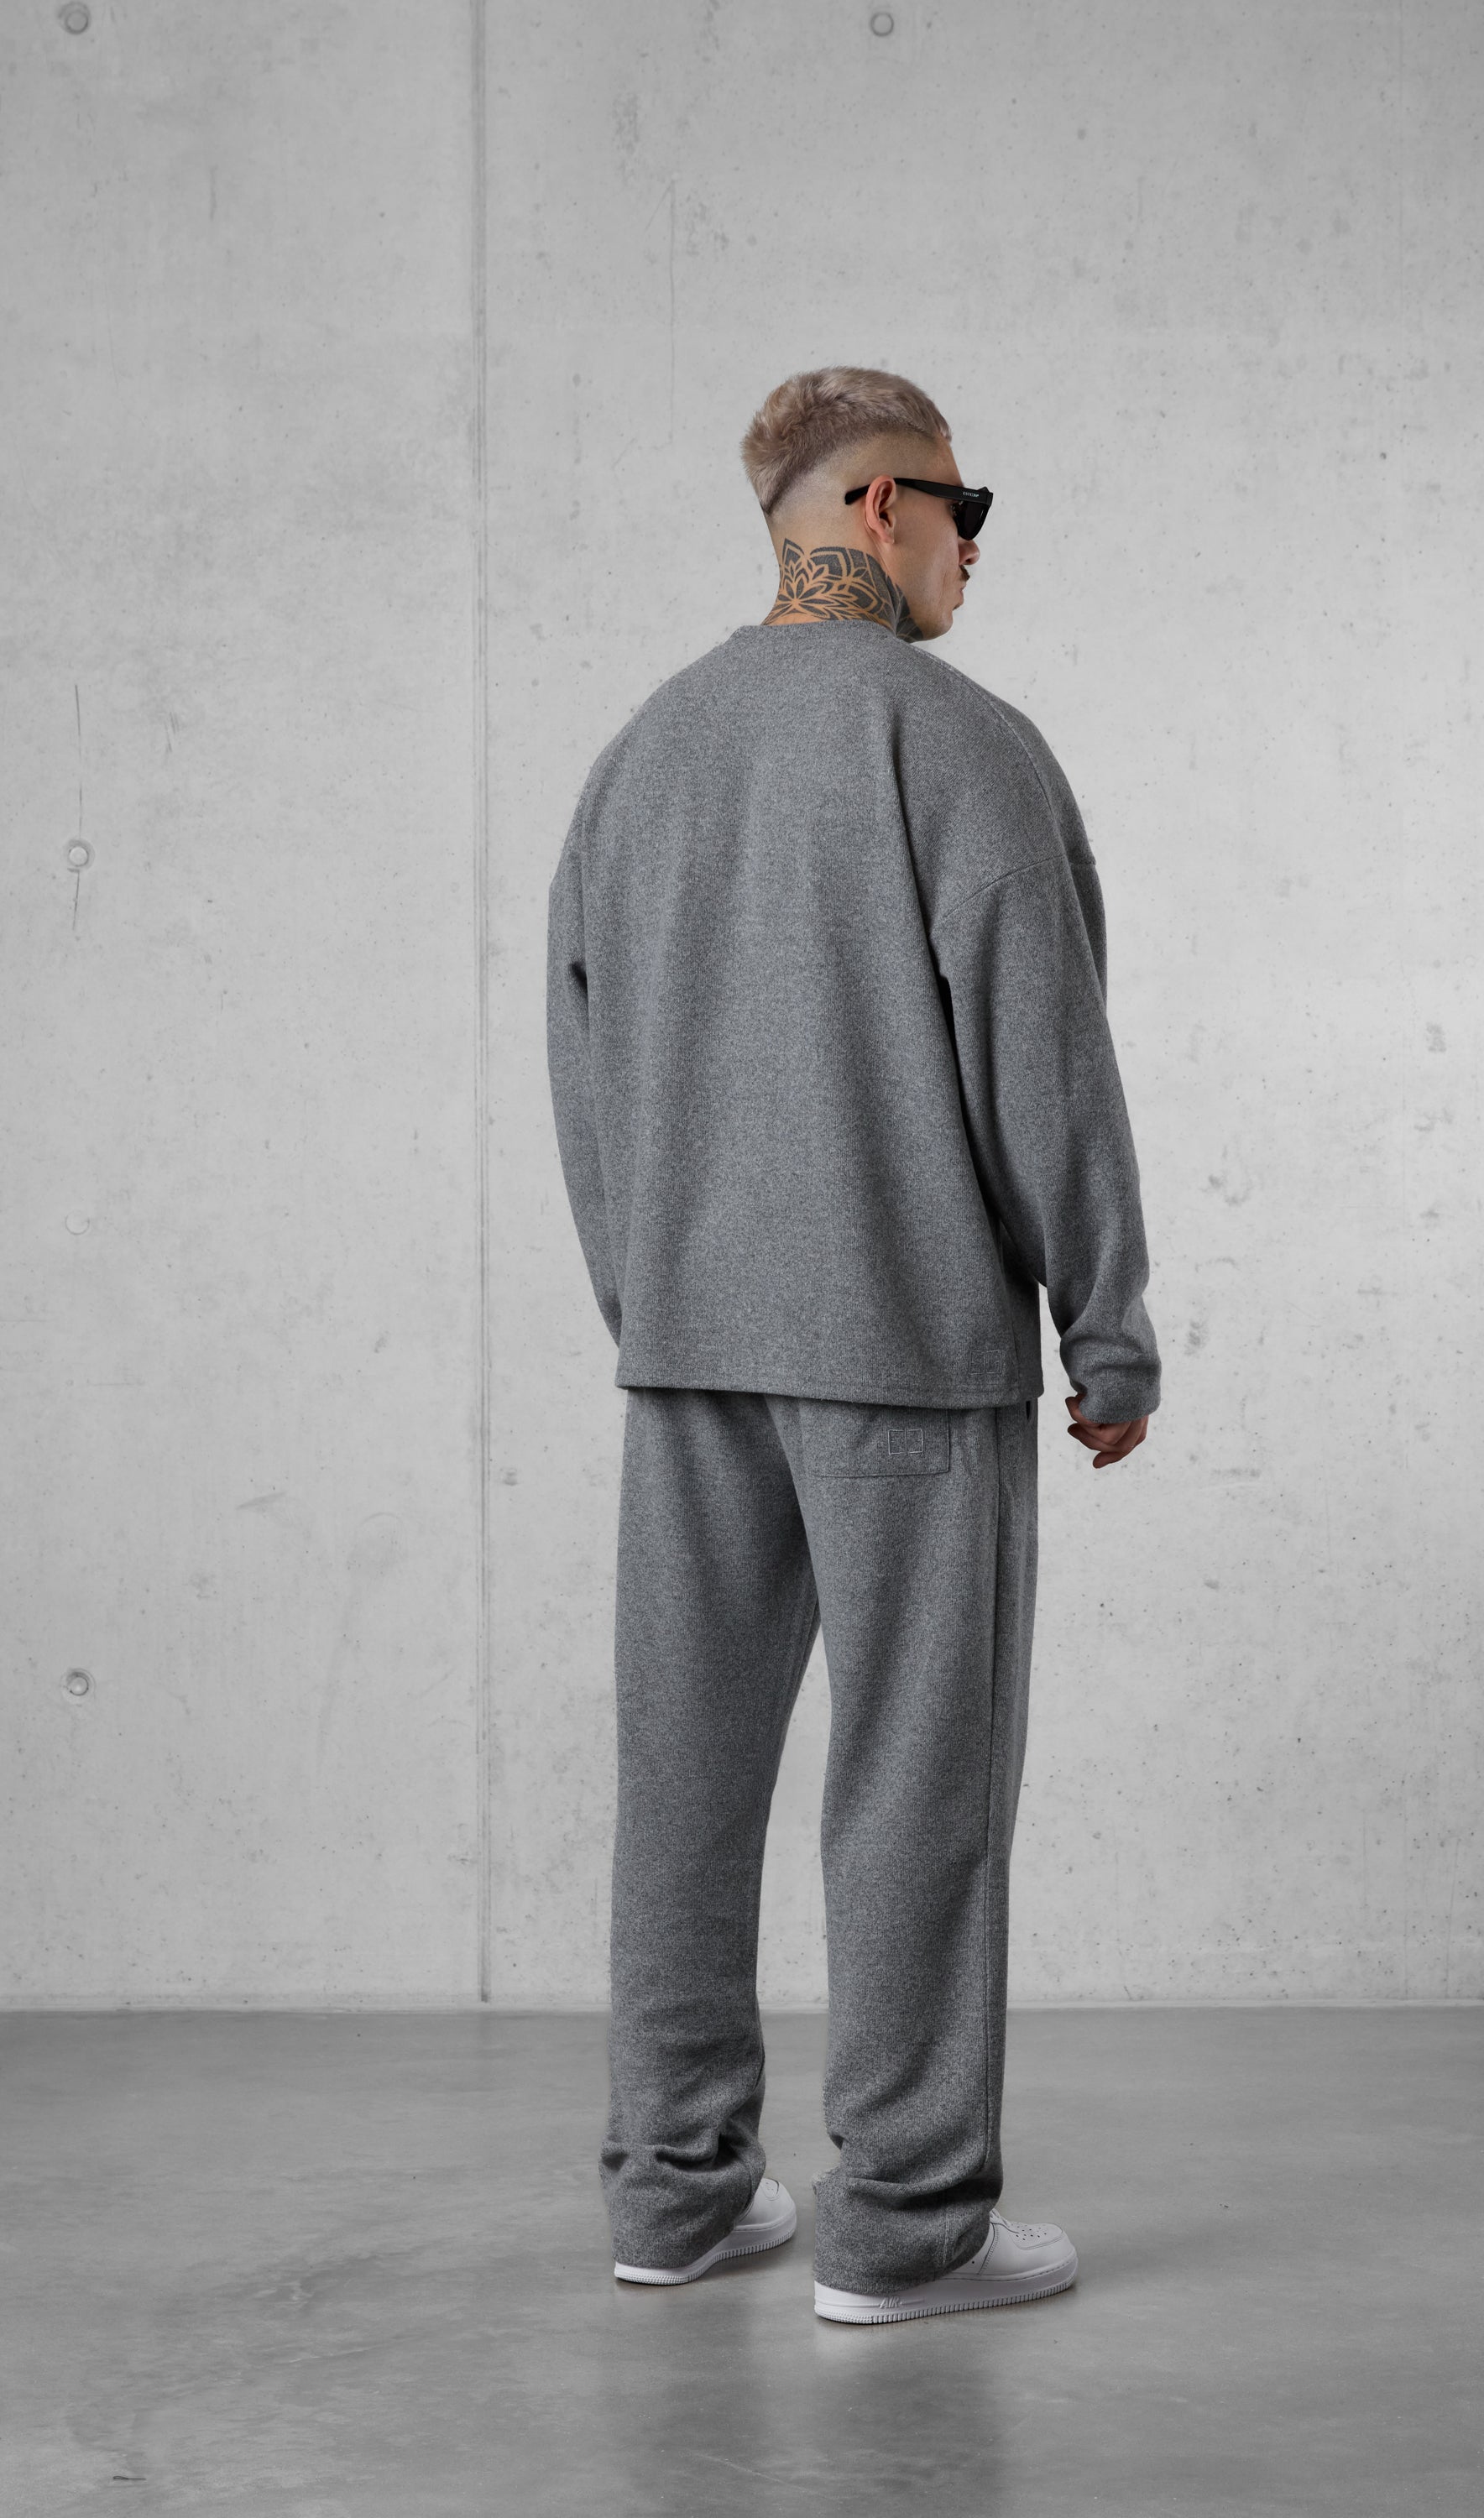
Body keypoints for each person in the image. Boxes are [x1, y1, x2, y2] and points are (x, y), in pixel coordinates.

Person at [546, 366, 1159, 2326]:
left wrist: (651, 1298)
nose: (975, 547)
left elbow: (583, 1067)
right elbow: (1043, 1061)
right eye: (963, 508)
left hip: (689, 1357)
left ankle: (671, 2199)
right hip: (905, 1352)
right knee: (915, 1785)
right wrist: (1108, 1323)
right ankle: (902, 2229)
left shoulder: (644, 753)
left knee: (685, 1780)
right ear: (880, 506)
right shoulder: (957, 744)